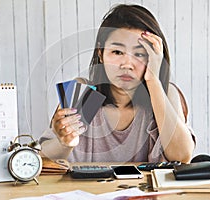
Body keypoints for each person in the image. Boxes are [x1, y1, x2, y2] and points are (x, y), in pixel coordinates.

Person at [40, 4, 195, 163]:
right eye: (117, 52)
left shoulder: (166, 94)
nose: (127, 64)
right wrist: (64, 142)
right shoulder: (82, 92)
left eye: (140, 54)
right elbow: (43, 157)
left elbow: (182, 156)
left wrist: (153, 80)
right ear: (101, 55)